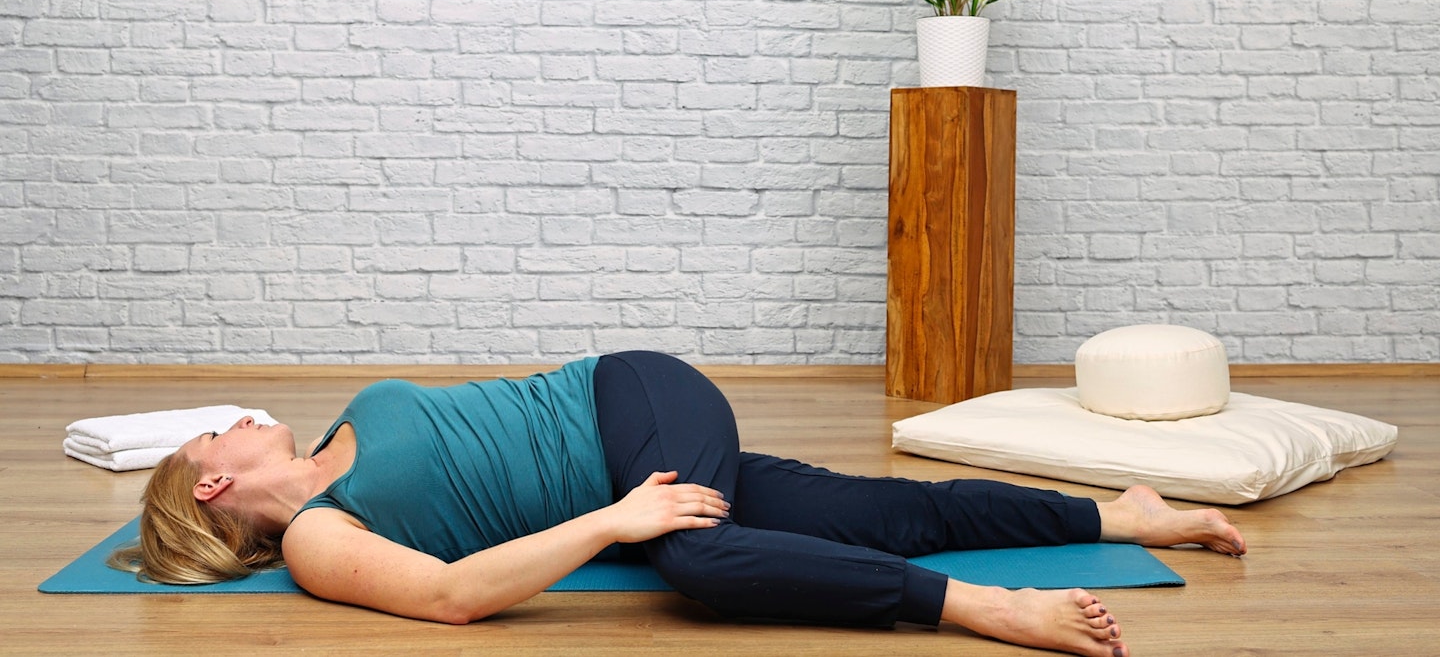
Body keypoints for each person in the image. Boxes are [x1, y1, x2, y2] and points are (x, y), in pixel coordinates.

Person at [112, 350, 1245, 657]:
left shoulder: (330, 438)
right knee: (865, 514)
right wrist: (613, 521)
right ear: (213, 482)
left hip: (635, 397)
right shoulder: (317, 536)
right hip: (632, 478)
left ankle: (982, 609)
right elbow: (455, 598)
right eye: (222, 428)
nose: (243, 417)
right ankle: (1120, 517)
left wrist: (629, 512)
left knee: (700, 564)